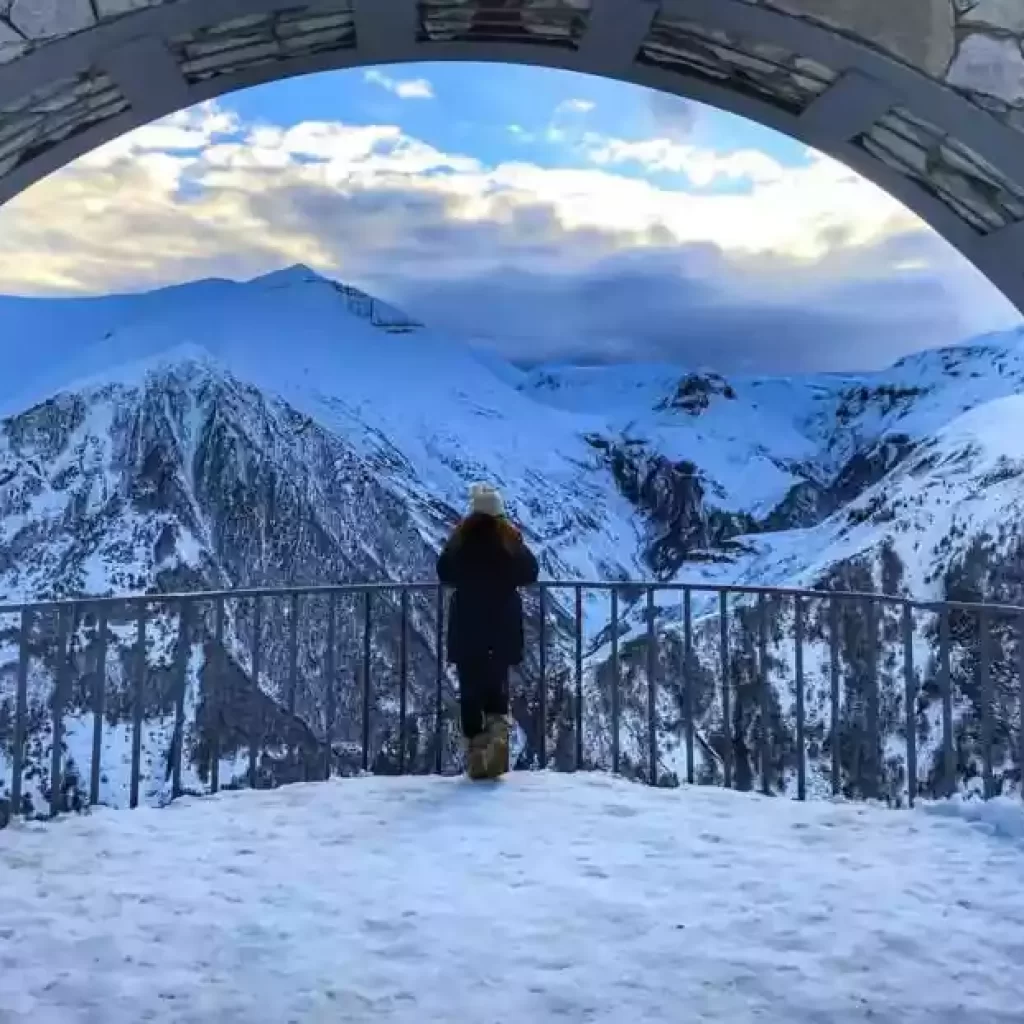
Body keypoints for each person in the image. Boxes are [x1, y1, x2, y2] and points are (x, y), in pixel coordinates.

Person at [437, 483, 539, 779]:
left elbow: (444, 572)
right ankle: (498, 742)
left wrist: (454, 538)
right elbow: (530, 572)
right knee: (497, 687)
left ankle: (477, 757)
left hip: (468, 626)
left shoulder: (463, 541)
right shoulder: (508, 541)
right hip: (501, 627)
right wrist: (515, 538)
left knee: (469, 690)